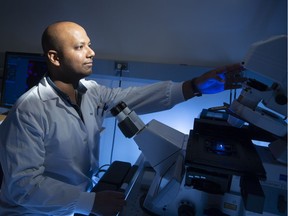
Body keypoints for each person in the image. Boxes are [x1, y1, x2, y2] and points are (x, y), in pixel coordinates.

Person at [0, 21, 244, 216]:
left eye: (89, 45)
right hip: (30, 211)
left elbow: (134, 98)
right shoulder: (29, 110)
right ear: (55, 58)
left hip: (69, 206)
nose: (91, 52)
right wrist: (90, 202)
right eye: (79, 47)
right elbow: (23, 186)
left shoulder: (91, 91)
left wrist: (194, 86)